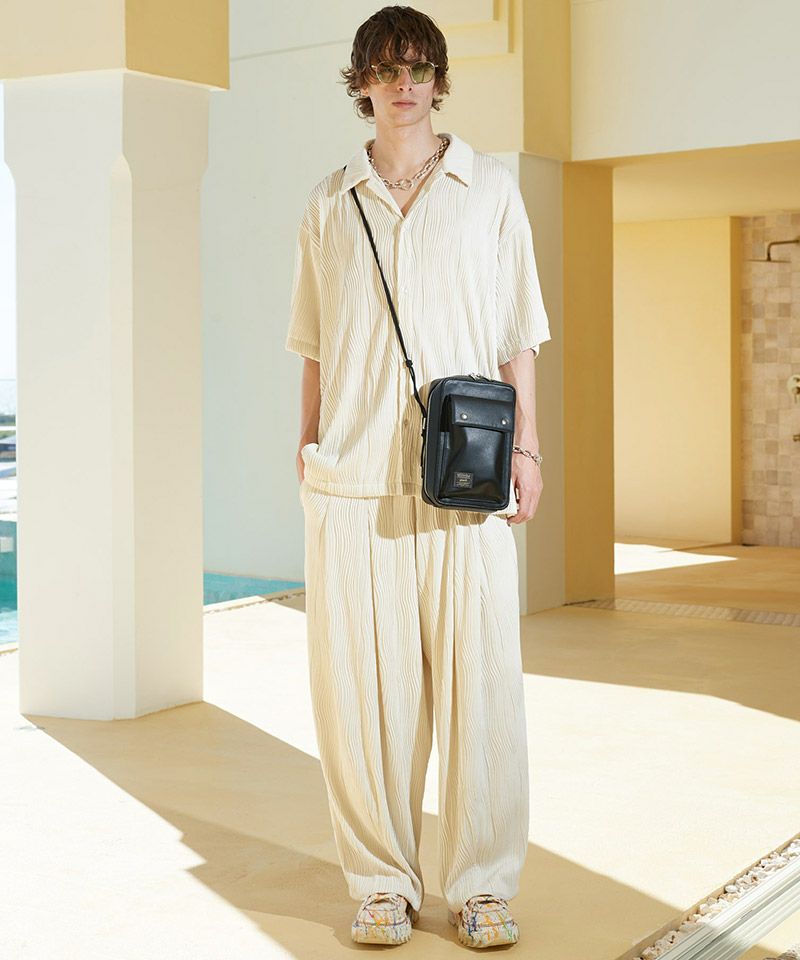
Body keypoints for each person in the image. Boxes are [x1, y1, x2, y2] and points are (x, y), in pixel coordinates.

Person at [284, 4, 551, 949]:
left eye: (419, 67)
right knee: (363, 699)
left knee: (482, 690)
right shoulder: (330, 202)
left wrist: (527, 450)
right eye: (386, 68)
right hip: (353, 484)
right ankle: (381, 884)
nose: (404, 84)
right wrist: (306, 447)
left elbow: (518, 333)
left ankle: (481, 883)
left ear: (439, 79)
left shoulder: (490, 190)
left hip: (467, 483)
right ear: (361, 83)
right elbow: (314, 343)